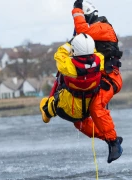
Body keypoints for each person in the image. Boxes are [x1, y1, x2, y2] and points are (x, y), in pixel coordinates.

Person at [40, 32, 122, 164]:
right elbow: (94, 53)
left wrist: (69, 43)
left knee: (47, 106)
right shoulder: (99, 60)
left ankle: (46, 114)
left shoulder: (68, 66)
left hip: (68, 109)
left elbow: (59, 54)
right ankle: (111, 139)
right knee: (83, 123)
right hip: (87, 108)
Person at [71, 0, 124, 163]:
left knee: (96, 106)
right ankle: (110, 139)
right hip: (93, 79)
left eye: (82, 17)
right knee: (78, 120)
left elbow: (82, 31)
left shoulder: (103, 27)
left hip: (110, 77)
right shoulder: (87, 35)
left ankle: (114, 142)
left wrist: (76, 10)